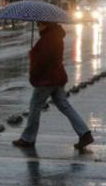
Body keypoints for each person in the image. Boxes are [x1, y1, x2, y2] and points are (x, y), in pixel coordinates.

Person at [13, 21, 93, 150]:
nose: (38, 26)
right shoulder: (54, 36)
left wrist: (34, 56)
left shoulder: (48, 39)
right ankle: (85, 133)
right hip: (57, 77)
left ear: (46, 25)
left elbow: (42, 61)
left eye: (40, 24)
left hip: (47, 79)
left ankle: (28, 138)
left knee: (35, 106)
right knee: (65, 106)